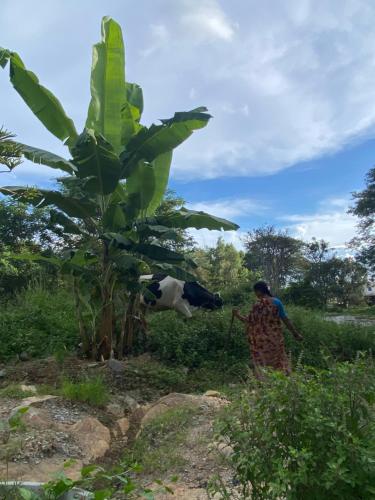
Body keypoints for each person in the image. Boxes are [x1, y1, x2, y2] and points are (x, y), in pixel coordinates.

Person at [232, 281, 302, 378]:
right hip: (275, 339)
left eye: (255, 291)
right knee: (278, 360)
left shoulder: (257, 306)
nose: (255, 294)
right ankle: (281, 381)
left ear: (259, 291)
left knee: (262, 362)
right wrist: (295, 333)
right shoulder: (276, 302)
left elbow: (248, 321)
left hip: (261, 342)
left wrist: (237, 315)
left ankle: (263, 382)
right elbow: (285, 319)